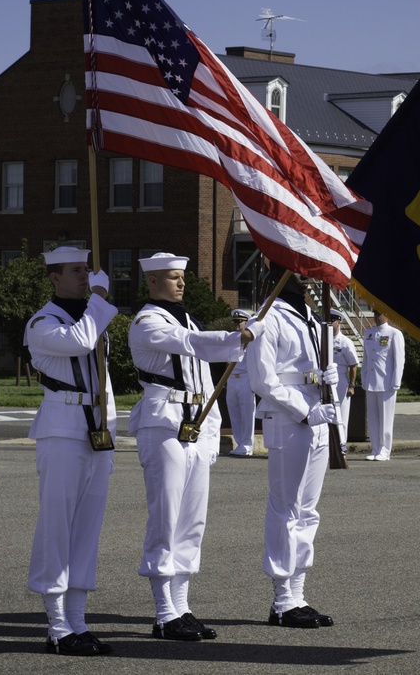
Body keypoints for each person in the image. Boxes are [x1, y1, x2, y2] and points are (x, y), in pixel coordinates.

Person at [128, 253, 260, 641]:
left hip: (195, 427)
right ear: (152, 283)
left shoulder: (187, 319)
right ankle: (163, 611)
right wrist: (238, 338)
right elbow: (191, 346)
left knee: (192, 522)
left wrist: (213, 430)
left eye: (182, 277)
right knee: (166, 517)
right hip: (163, 423)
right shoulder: (148, 321)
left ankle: (182, 606)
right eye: (173, 278)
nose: (181, 283)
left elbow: (205, 381)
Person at [24, 246, 117, 657]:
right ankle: (57, 625)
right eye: (75, 271)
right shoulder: (44, 323)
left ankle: (77, 620)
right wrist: (99, 299)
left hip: (96, 430)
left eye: (87, 270)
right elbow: (80, 343)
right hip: (61, 429)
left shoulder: (90, 319)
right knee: (58, 527)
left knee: (86, 530)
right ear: (54, 278)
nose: (85, 277)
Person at [247, 263, 338, 629]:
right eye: (293, 266)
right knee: (286, 508)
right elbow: (262, 380)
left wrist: (325, 377)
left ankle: (297, 594)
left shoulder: (312, 318)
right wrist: (305, 411)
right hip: (289, 417)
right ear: (275, 273)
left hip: (315, 415)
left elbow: (306, 370)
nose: (304, 272)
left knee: (307, 510)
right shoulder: (267, 317)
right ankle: (283, 600)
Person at [361, 310, 405, 461]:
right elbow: (366, 359)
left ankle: (385, 450)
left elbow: (399, 360)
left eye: (379, 314)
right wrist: (364, 378)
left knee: (386, 419)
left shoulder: (394, 334)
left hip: (386, 383)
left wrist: (396, 381)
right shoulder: (369, 333)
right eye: (375, 314)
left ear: (387, 315)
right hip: (371, 382)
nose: (376, 317)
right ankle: (375, 449)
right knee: (373, 419)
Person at [226, 308, 257, 457]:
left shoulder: (251, 342)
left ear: (247, 322)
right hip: (232, 378)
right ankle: (239, 442)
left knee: (247, 412)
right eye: (235, 322)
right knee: (234, 412)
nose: (237, 324)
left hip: (245, 378)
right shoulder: (231, 338)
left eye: (240, 321)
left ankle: (247, 444)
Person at [329, 309, 358, 451]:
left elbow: (353, 365)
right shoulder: (323, 340)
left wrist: (352, 385)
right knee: (328, 413)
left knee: (341, 413)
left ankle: (341, 445)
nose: (329, 324)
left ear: (338, 322)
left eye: (332, 321)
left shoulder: (346, 342)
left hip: (340, 380)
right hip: (326, 380)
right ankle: (329, 444)